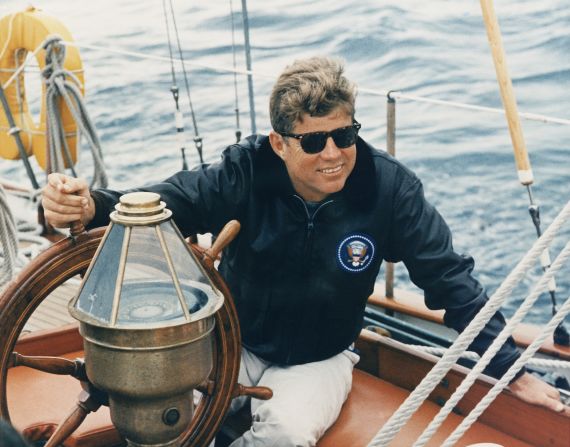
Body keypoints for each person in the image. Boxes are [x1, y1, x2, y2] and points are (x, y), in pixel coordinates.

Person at [42, 57, 566, 446]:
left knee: (285, 436)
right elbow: (162, 207)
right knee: (161, 413)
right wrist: (89, 205)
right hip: (233, 344)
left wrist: (511, 372)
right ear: (279, 143)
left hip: (320, 357)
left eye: (345, 135)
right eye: (314, 142)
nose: (334, 154)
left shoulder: (390, 190)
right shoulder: (244, 171)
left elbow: (449, 279)